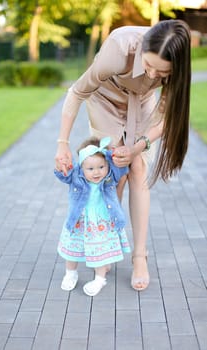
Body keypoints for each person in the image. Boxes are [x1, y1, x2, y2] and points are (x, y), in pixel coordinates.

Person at [55, 19, 191, 291]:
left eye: (162, 72)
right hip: (105, 98)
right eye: (148, 65)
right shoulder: (118, 50)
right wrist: (62, 142)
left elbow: (165, 119)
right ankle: (102, 244)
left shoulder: (174, 67)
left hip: (140, 103)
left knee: (137, 166)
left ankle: (139, 256)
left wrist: (137, 147)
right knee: (114, 171)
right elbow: (77, 92)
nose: (152, 75)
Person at [54, 136, 131, 296]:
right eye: (90, 169)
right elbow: (63, 175)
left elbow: (122, 169)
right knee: (71, 248)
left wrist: (112, 155)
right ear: (81, 168)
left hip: (101, 222)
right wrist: (60, 166)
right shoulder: (76, 175)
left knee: (100, 250)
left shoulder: (109, 176)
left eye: (101, 167)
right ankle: (70, 273)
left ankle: (100, 278)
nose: (96, 172)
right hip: (79, 220)